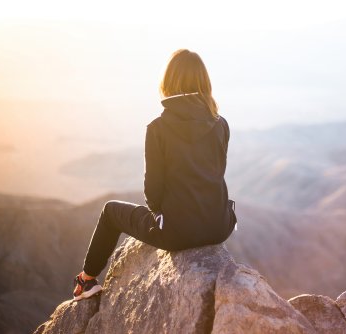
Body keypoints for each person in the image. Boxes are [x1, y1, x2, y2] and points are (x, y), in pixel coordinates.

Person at [72, 49, 237, 301]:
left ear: (168, 83)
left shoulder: (158, 129)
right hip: (220, 226)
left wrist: (162, 214)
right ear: (205, 82)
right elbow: (216, 173)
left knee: (110, 211)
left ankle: (87, 280)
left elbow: (153, 192)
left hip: (177, 233)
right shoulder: (221, 123)